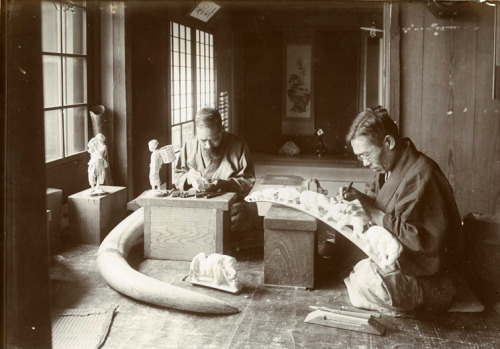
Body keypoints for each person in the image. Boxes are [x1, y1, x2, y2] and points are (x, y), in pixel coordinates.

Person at [341, 106, 464, 316]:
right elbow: (385, 205)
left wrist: (376, 216)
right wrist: (360, 197)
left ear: (388, 142)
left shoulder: (423, 174)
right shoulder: (389, 168)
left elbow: (424, 241)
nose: (365, 163)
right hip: (401, 261)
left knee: (364, 283)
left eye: (367, 154)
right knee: (349, 263)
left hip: (429, 276)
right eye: (360, 157)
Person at [173, 107, 258, 239]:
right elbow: (177, 174)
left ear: (221, 129)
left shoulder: (238, 145)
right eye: (203, 141)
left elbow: (247, 181)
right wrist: (188, 179)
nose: (208, 145)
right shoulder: (189, 145)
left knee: (243, 215)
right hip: (196, 202)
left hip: (229, 203)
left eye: (213, 139)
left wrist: (220, 184)